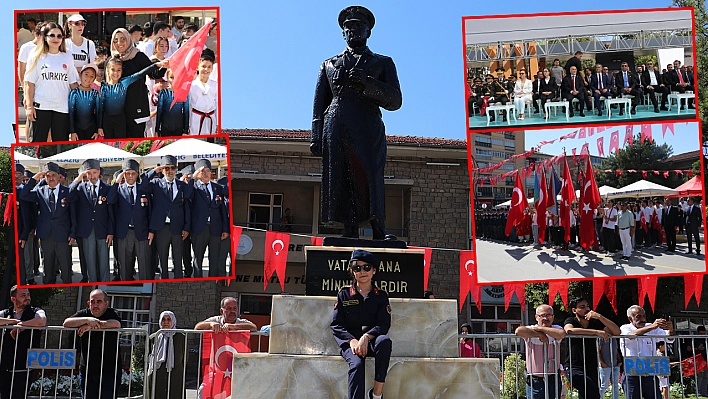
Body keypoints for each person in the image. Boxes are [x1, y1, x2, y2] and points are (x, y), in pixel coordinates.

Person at [311, 6, 401, 241]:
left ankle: (378, 229)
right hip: (336, 124)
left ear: (368, 31)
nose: (353, 31)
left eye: (358, 27)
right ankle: (348, 229)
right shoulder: (329, 64)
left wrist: (367, 83)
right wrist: (315, 136)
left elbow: (395, 100)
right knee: (341, 175)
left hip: (367, 125)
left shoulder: (382, 62)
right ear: (343, 33)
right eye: (348, 27)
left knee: (370, 175)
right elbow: (319, 104)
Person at [332, 249, 392, 399]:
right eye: (357, 268)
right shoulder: (344, 294)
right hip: (350, 343)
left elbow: (384, 323)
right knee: (357, 365)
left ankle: (376, 394)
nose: (362, 271)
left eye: (366, 267)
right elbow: (336, 325)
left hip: (371, 341)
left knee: (384, 341)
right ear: (352, 272)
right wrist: (352, 341)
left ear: (374, 271)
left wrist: (366, 337)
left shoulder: (381, 296)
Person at [23, 22, 80, 142]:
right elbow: (29, 83)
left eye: (59, 36)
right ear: (45, 37)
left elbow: (73, 84)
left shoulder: (67, 57)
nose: (56, 39)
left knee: (61, 144)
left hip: (62, 107)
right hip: (41, 106)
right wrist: (29, 106)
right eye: (52, 35)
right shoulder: (36, 56)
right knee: (38, 143)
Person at [19, 162, 73, 284]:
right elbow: (24, 195)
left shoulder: (67, 191)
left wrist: (73, 233)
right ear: (44, 177)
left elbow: (73, 215)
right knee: (47, 268)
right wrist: (34, 179)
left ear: (59, 176)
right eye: (48, 176)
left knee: (65, 266)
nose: (51, 178)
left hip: (63, 235)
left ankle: (68, 286)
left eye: (53, 175)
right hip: (46, 235)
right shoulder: (40, 191)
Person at [63, 289, 122, 399]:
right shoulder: (84, 314)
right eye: (92, 302)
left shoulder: (112, 313)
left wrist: (92, 325)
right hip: (88, 370)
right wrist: (88, 320)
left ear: (106, 303)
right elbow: (66, 323)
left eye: (99, 301)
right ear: (89, 303)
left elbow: (116, 323)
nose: (95, 305)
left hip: (110, 370)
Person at [109, 28, 167, 137]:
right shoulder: (112, 60)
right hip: (117, 112)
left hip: (137, 108)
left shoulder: (138, 56)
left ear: (129, 39)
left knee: (136, 143)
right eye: (116, 40)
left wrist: (164, 66)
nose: (119, 43)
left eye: (123, 39)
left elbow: (154, 74)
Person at [142, 157, 193, 279]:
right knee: (162, 258)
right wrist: (154, 171)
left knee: (178, 257)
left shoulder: (181, 185)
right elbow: (143, 186)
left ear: (176, 170)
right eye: (166, 168)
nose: (170, 171)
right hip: (161, 227)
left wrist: (186, 227)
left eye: (172, 168)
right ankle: (163, 280)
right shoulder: (156, 184)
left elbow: (188, 199)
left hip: (178, 227)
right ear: (162, 170)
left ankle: (178, 280)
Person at [563, 297, 620, 399]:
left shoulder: (594, 323)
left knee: (586, 394)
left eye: (588, 306)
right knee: (592, 391)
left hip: (591, 366)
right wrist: (595, 332)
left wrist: (600, 317)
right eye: (582, 307)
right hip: (574, 365)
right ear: (574, 310)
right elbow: (569, 331)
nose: (587, 309)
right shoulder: (571, 320)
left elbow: (616, 332)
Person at [98, 56, 166, 138]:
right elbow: (101, 108)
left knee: (121, 144)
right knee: (109, 145)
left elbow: (140, 74)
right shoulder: (104, 86)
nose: (116, 73)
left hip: (120, 120)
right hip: (107, 121)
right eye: (113, 70)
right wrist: (100, 126)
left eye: (119, 70)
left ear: (122, 71)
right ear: (108, 71)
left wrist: (157, 65)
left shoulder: (124, 83)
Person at [69, 159, 114, 283]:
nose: (92, 176)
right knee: (90, 260)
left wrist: (111, 231)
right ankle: (92, 283)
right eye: (89, 173)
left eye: (94, 173)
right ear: (85, 174)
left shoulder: (107, 188)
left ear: (99, 172)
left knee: (104, 260)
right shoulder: (80, 188)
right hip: (87, 230)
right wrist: (77, 180)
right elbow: (68, 196)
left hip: (103, 229)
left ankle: (105, 284)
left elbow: (111, 213)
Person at [108, 160, 152, 281]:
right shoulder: (118, 189)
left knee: (144, 265)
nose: (131, 176)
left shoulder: (143, 189)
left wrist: (151, 230)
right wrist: (117, 181)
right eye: (127, 173)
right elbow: (110, 200)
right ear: (124, 174)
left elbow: (150, 211)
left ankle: (145, 288)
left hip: (142, 232)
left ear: (137, 174)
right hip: (124, 233)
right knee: (125, 266)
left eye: (133, 173)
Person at [0, 286, 46, 399]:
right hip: (4, 365)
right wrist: (14, 322)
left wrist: (22, 325)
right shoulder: (6, 313)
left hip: (24, 366)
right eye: (23, 295)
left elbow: (41, 320)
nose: (27, 298)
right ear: (13, 299)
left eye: (28, 294)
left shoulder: (35, 311)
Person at [620, 305, 674, 399]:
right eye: (638, 316)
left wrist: (671, 329)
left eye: (644, 316)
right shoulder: (625, 328)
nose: (643, 319)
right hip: (633, 372)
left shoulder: (651, 327)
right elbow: (630, 336)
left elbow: (669, 338)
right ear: (630, 318)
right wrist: (652, 327)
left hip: (650, 372)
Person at [515, 304, 566, 399]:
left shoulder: (556, 328)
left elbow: (561, 334)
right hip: (535, 378)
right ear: (536, 317)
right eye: (542, 315)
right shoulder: (531, 329)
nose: (546, 318)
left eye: (549, 315)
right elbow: (518, 331)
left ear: (553, 317)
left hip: (553, 377)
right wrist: (539, 335)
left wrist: (541, 330)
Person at [188, 159, 229, 277]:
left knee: (214, 257)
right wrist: (193, 178)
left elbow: (223, 210)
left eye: (208, 171)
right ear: (198, 173)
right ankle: (197, 279)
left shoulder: (217, 188)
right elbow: (187, 195)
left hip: (215, 227)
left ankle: (212, 280)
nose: (205, 173)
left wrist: (225, 229)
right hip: (199, 227)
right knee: (198, 257)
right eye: (202, 171)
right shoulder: (194, 187)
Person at [147, 311, 185, 399]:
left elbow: (185, 357)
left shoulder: (180, 337)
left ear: (173, 321)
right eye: (163, 319)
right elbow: (148, 356)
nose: (166, 322)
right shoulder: (154, 337)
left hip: (175, 374)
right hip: (157, 374)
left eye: (169, 319)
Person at [15, 165, 37, 286]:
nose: (16, 176)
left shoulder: (28, 192)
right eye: (14, 173)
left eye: (19, 174)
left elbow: (33, 211)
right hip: (13, 229)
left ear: (23, 176)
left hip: (26, 228)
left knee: (28, 255)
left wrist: (33, 227)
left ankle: (30, 277)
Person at [68, 63, 100, 141]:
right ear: (80, 75)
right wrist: (72, 131)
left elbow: (98, 112)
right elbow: (71, 112)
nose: (88, 78)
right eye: (86, 74)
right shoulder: (74, 93)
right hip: (77, 129)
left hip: (91, 128)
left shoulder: (95, 93)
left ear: (94, 79)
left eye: (92, 76)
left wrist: (97, 129)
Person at [189, 52, 218, 135]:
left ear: (212, 69)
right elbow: (189, 106)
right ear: (197, 67)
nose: (206, 69)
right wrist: (186, 125)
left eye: (209, 67)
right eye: (203, 66)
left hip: (211, 118)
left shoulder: (215, 85)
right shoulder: (191, 85)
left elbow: (217, 104)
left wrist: (218, 124)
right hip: (196, 118)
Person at [155, 68, 190, 136]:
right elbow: (159, 112)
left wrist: (185, 131)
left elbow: (186, 112)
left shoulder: (184, 93)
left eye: (176, 77)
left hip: (179, 127)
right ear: (167, 78)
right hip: (165, 127)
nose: (174, 80)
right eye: (171, 77)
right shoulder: (163, 93)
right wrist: (157, 130)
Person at [695, 326, 708, 396]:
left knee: (706, 376)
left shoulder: (706, 338)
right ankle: (698, 392)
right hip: (699, 359)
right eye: (701, 334)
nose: (702, 335)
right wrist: (697, 348)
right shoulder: (695, 339)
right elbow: (688, 348)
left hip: (706, 359)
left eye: (704, 333)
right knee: (699, 376)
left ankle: (704, 392)